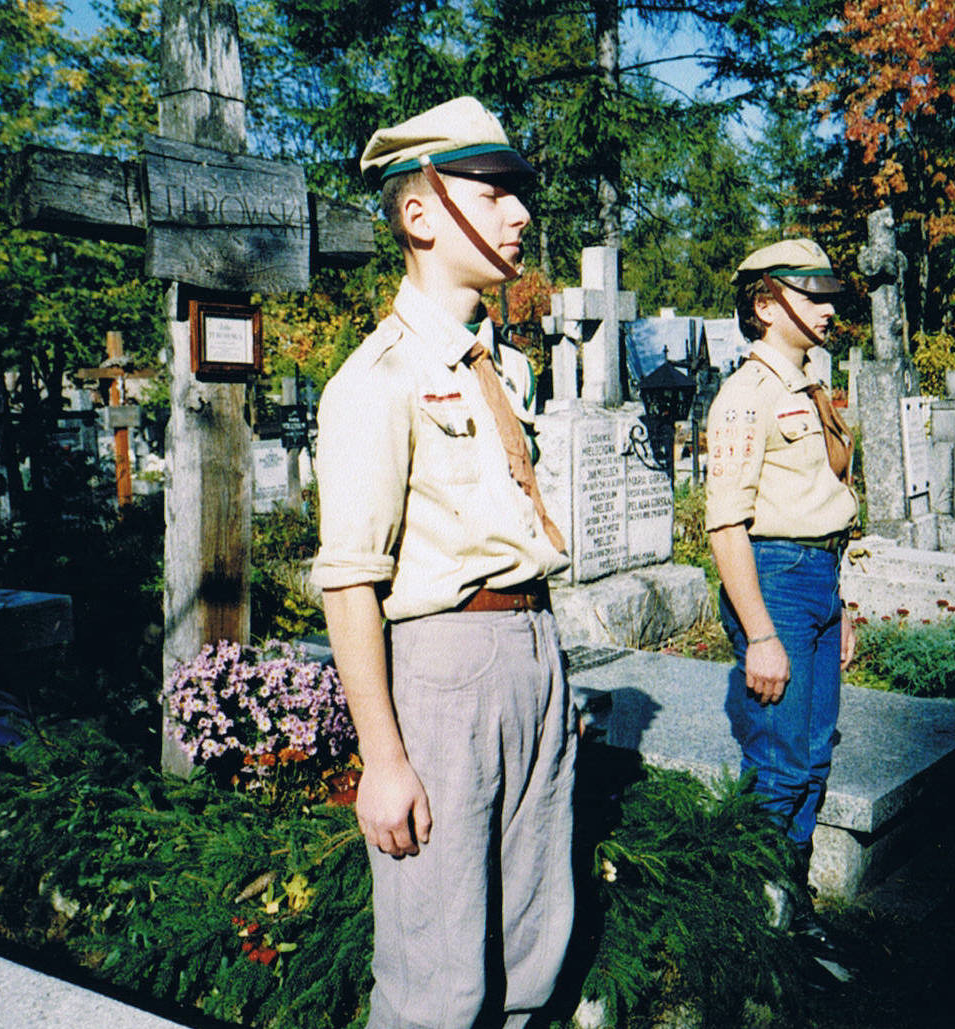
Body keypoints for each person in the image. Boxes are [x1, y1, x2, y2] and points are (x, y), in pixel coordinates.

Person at [310, 97, 576, 1029]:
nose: (521, 213)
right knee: (438, 973)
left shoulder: (501, 367)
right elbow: (350, 580)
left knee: (536, 944)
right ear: (421, 213)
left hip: (532, 648)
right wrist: (383, 759)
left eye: (517, 193)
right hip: (444, 672)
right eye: (495, 192)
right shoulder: (375, 381)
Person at [704, 238, 860, 982]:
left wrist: (839, 603)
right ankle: (753, 923)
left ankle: (788, 906)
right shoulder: (746, 396)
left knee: (815, 755)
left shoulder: (807, 385)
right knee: (780, 762)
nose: (828, 309)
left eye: (830, 296)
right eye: (812, 295)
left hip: (817, 579)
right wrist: (761, 633)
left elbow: (820, 503)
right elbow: (725, 525)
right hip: (775, 584)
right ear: (767, 305)